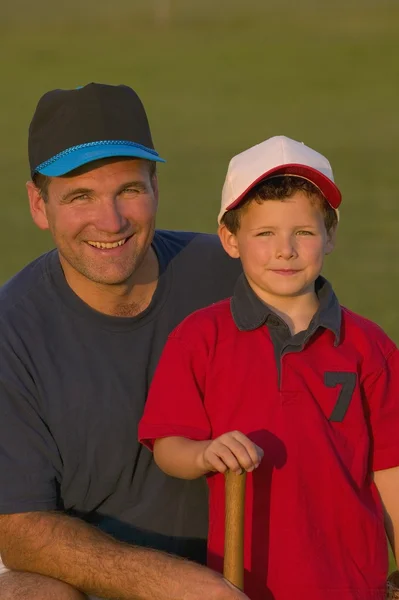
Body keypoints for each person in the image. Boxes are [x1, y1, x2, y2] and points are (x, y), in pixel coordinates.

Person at [0, 83, 248, 600]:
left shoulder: (234, 279)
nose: (110, 222)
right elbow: (21, 532)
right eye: (80, 196)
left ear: (156, 186)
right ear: (38, 204)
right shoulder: (11, 331)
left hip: (237, 576)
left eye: (128, 190)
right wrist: (185, 587)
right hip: (95, 584)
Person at [139, 135, 399, 600]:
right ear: (230, 240)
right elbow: (166, 445)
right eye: (264, 234)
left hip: (354, 585)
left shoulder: (370, 346)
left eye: (303, 232)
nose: (286, 250)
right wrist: (203, 454)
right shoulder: (200, 337)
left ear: (330, 235)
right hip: (244, 584)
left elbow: (392, 472)